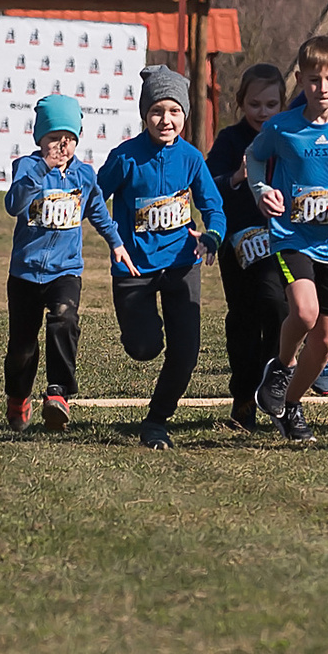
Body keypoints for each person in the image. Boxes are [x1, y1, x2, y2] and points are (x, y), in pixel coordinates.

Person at [249, 36, 328, 445]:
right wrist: (261, 189)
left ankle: (289, 405)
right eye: (314, 80)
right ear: (300, 80)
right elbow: (253, 157)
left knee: (325, 340)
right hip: (292, 236)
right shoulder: (282, 126)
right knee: (304, 313)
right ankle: (281, 367)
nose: (322, 88)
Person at [96, 66, 226, 448]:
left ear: (184, 115)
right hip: (134, 267)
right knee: (144, 348)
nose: (165, 120)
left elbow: (213, 207)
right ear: (144, 114)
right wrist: (113, 237)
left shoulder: (191, 158)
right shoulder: (126, 157)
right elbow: (94, 199)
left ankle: (157, 420)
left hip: (182, 264)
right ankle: (140, 332)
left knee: (186, 351)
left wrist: (212, 236)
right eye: (157, 111)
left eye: (174, 111)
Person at [0, 93, 131, 432]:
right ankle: (18, 397)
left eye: (69, 139)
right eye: (54, 139)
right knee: (22, 347)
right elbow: (13, 204)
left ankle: (58, 393)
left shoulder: (84, 176)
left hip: (65, 270)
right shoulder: (27, 167)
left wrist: (115, 243)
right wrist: (42, 168)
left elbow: (98, 212)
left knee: (64, 319)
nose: (62, 146)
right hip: (26, 272)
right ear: (39, 139)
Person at [207, 64, 287, 434]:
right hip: (237, 243)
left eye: (271, 104)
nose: (262, 112)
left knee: (276, 307)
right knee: (243, 318)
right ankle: (242, 396)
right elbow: (207, 188)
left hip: (280, 242)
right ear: (241, 103)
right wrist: (237, 177)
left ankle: (271, 386)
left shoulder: (288, 135)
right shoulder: (229, 139)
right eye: (254, 104)